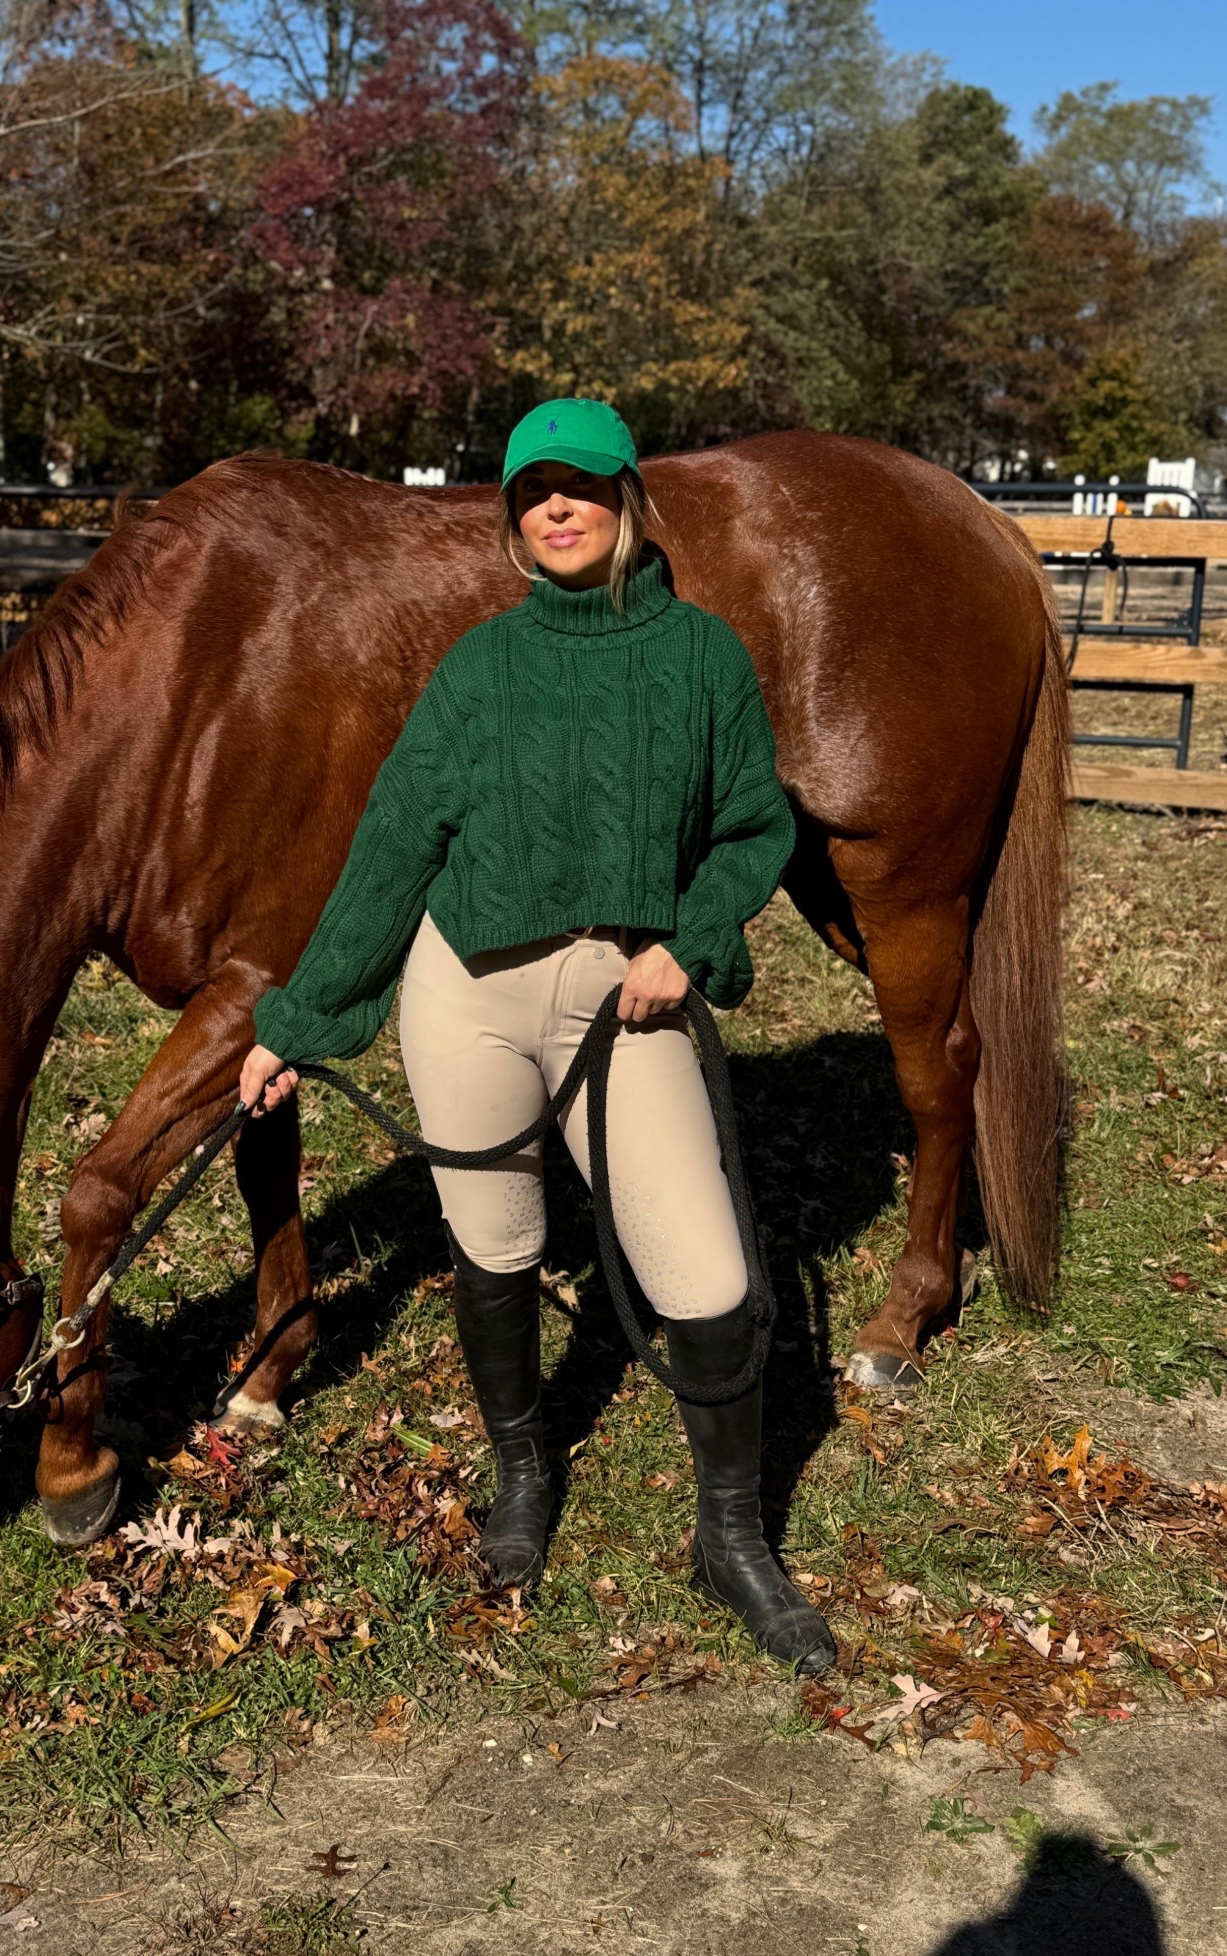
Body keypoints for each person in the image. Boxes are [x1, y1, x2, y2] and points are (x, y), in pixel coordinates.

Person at [239, 399, 834, 1675]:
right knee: (495, 1246)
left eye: (581, 485)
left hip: (631, 997)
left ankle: (731, 1536)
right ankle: (525, 1466)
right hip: (469, 997)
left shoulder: (704, 658)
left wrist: (695, 938)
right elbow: (397, 844)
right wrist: (300, 1020)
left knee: (713, 1285)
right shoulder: (480, 666)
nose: (556, 507)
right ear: (513, 516)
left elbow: (752, 830)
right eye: (531, 491)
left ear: (627, 501)